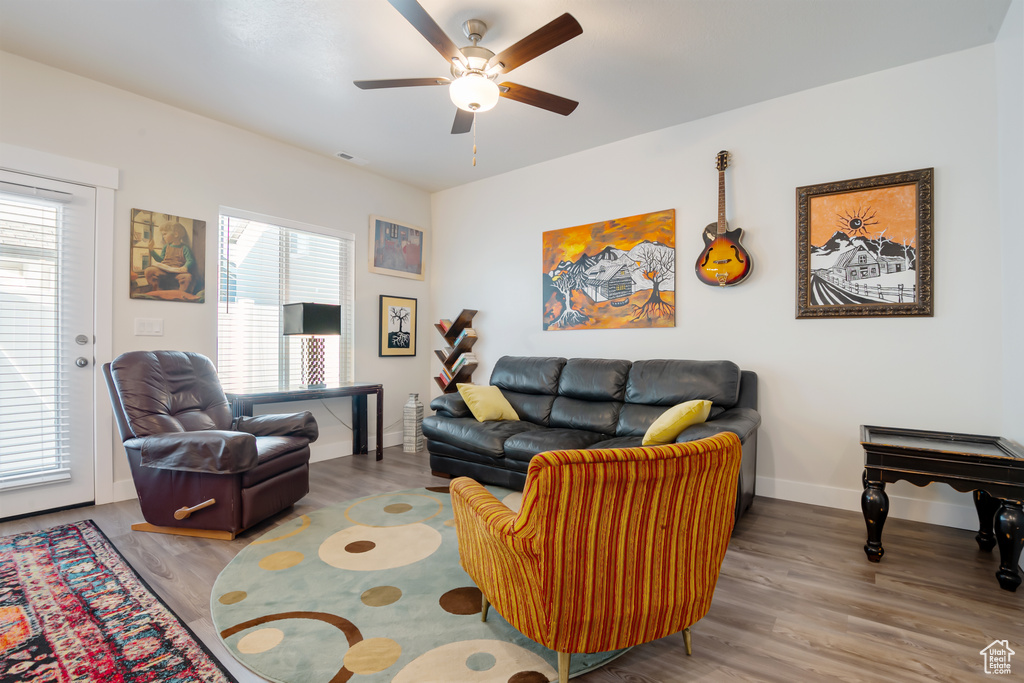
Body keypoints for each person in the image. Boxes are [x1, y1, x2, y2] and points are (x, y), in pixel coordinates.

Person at [144, 221, 195, 293]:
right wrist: (152, 250)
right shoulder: (166, 247)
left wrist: (185, 267)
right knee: (149, 270)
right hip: (164, 271)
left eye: (165, 234)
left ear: (176, 234)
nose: (163, 236)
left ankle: (181, 294)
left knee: (187, 277)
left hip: (177, 271)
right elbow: (160, 259)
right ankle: (157, 290)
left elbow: (190, 260)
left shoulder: (184, 248)